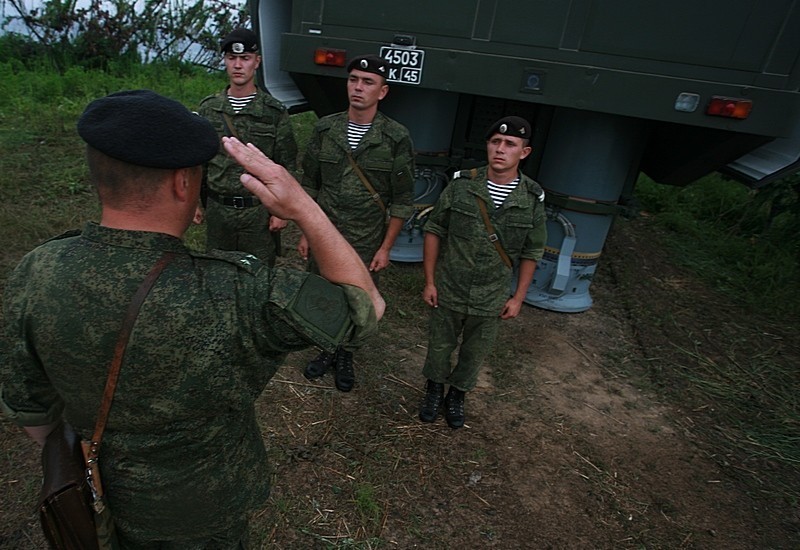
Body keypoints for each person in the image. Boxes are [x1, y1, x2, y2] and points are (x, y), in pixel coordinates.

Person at [0, 90, 384, 548]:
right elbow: (365, 307)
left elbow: (33, 412)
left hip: (97, 502)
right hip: (204, 516)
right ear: (184, 183)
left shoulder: (38, 270)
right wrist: (303, 207)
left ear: (99, 176)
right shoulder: (238, 293)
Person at [418, 115, 547, 429]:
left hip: (492, 294)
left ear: (524, 153)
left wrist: (518, 297)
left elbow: (532, 251)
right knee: (439, 345)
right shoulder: (463, 184)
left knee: (475, 351)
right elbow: (435, 229)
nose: (500, 149)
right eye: (495, 142)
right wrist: (430, 281)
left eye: (510, 144)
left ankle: (457, 395)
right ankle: (434, 389)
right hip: (450, 285)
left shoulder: (531, 198)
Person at [298, 54, 415, 392]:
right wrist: (306, 231)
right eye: (353, 80)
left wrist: (386, 246)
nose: (358, 88)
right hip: (325, 230)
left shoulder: (395, 138)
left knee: (357, 298)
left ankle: (346, 353)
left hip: (365, 236)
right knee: (321, 291)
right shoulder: (326, 128)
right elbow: (310, 184)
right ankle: (326, 347)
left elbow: (402, 199)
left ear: (383, 91)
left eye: (368, 82)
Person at [198, 27, 298, 267]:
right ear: (225, 61)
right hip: (218, 209)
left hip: (258, 212)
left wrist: (280, 210)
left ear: (257, 62)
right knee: (217, 271)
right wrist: (194, 203)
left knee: (259, 275)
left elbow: (287, 163)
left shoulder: (273, 112)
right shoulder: (209, 109)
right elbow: (199, 162)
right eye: (232, 58)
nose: (238, 65)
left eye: (245, 58)